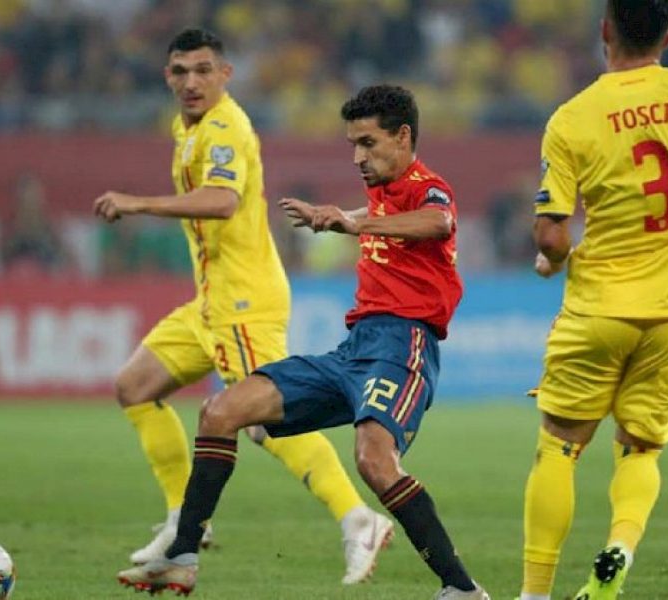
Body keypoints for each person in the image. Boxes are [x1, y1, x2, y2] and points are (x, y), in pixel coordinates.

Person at [117, 84, 491, 600]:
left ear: (403, 137)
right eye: (353, 145)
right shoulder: (383, 194)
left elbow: (438, 220)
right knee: (221, 412)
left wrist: (352, 223)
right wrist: (334, 216)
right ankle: (181, 555)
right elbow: (374, 218)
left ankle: (462, 589)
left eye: (368, 143)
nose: (358, 157)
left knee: (375, 461)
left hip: (403, 347)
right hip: (354, 350)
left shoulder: (429, 187)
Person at [94, 28, 392, 584]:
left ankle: (358, 519)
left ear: (225, 74)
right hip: (211, 302)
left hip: (244, 302)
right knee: (135, 385)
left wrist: (137, 204)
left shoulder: (226, 126)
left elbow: (223, 201)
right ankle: (184, 520)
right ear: (167, 76)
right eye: (180, 71)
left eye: (203, 70)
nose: (191, 81)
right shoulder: (185, 128)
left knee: (266, 420)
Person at [518, 2, 668, 599]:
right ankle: (620, 550)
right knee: (642, 448)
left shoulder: (573, 117)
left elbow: (551, 234)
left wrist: (553, 261)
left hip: (600, 307)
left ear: (605, 30)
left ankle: (534, 594)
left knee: (559, 446)